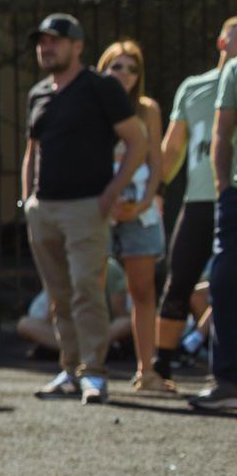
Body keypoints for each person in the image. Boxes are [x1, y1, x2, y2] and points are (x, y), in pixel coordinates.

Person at [19, 14, 147, 405]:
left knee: (86, 290)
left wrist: (110, 194)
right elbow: (32, 151)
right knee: (58, 295)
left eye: (55, 41)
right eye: (42, 41)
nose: (47, 47)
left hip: (86, 208)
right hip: (45, 209)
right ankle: (69, 369)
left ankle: (94, 373)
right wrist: (28, 201)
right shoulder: (39, 93)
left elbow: (137, 142)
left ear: (77, 46)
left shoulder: (101, 88)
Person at [92, 41, 171, 394]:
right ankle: (88, 366)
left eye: (131, 68)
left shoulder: (147, 109)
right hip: (99, 205)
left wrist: (144, 202)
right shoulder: (91, 105)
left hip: (138, 207)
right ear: (103, 68)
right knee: (90, 287)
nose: (124, 74)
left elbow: (156, 161)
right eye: (117, 66)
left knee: (143, 289)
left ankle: (146, 371)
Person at [159, 18, 235, 378]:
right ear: (222, 42)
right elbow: (173, 148)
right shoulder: (194, 88)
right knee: (179, 281)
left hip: (231, 198)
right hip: (199, 201)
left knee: (226, 283)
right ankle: (160, 365)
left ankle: (218, 366)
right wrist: (157, 190)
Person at [200, 21, 237, 409]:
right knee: (224, 280)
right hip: (236, 194)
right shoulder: (234, 71)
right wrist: (224, 186)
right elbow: (222, 132)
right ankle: (226, 378)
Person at [17, 258, 132, 361]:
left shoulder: (109, 267)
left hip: (100, 329)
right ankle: (87, 351)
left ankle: (65, 350)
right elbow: (50, 317)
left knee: (127, 323)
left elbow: (119, 314)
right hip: (67, 330)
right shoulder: (57, 268)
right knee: (25, 324)